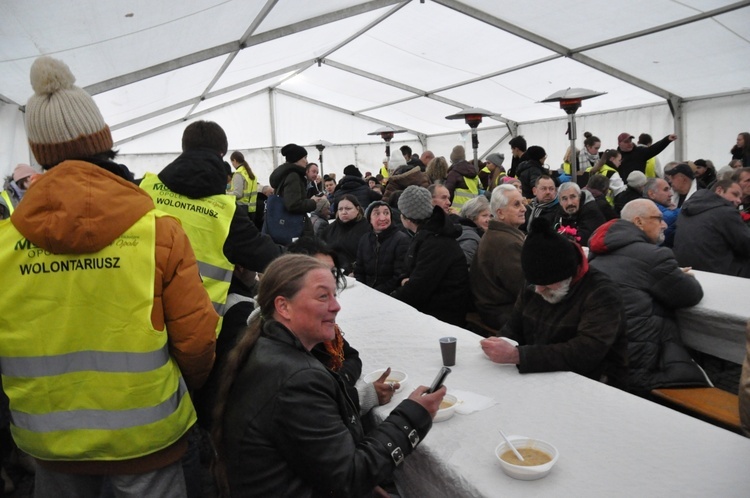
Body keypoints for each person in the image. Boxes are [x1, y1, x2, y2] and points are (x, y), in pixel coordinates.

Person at [0, 55, 217, 496]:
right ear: (105, 140)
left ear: (39, 153)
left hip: (48, 443)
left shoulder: (4, 245)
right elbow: (196, 344)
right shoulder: (158, 231)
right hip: (149, 441)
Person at [211, 254, 444, 497]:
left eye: (334, 295)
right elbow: (349, 477)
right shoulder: (297, 378)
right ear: (283, 306)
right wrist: (413, 415)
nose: (336, 306)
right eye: (323, 296)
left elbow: (310, 456)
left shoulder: (265, 348)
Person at [140, 121, 282, 334]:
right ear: (222, 153)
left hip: (141, 316)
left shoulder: (142, 189)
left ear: (184, 148)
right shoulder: (226, 213)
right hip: (197, 328)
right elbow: (268, 257)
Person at [480, 217, 627, 388]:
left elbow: (586, 352)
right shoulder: (535, 284)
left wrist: (519, 355)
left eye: (547, 284)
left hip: (593, 382)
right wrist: (499, 342)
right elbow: (514, 326)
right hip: (542, 375)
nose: (539, 290)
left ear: (568, 274)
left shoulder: (601, 293)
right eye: (536, 283)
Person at [588, 199, 708, 393]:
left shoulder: (597, 252)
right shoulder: (653, 256)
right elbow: (691, 294)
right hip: (644, 362)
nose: (665, 224)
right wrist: (685, 276)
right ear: (639, 222)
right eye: (659, 218)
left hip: (605, 356)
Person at [391, 186, 470, 326]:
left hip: (443, 318)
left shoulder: (435, 241)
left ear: (406, 217)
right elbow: (410, 274)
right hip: (433, 309)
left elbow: (417, 289)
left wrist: (389, 301)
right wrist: (404, 280)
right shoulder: (428, 235)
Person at [470, 185, 527, 330]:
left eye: (523, 203)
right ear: (500, 213)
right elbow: (524, 289)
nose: (524, 208)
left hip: (495, 310)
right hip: (504, 313)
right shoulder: (507, 243)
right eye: (516, 204)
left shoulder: (497, 235)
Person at [673, 179, 750, 277]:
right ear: (719, 190)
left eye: (741, 197)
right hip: (720, 273)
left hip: (687, 270)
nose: (739, 201)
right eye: (735, 194)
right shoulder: (726, 212)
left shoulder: (685, 209)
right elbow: (746, 244)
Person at [355, 200, 410, 294]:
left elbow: (399, 275)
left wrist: (375, 293)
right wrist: (363, 290)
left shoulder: (401, 239)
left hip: (389, 294)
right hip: (366, 292)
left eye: (386, 213)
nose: (382, 218)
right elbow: (359, 271)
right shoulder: (364, 239)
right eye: (377, 214)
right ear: (369, 219)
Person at [269, 143, 317, 240]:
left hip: (283, 224)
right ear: (297, 158)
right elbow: (293, 204)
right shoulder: (293, 176)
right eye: (304, 157)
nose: (307, 161)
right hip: (294, 225)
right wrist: (313, 202)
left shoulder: (285, 174)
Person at [320, 194, 370, 274]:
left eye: (348, 208)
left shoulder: (367, 228)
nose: (344, 212)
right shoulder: (330, 228)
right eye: (340, 209)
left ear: (357, 209)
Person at [554, 182, 607, 246]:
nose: (569, 203)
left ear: (579, 196)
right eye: (564, 199)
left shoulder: (591, 211)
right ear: (560, 202)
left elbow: (583, 239)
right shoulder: (561, 211)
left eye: (573, 197)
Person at [456, 195, 491, 267]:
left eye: (490, 216)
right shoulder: (471, 239)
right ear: (471, 217)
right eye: (484, 215)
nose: (489, 220)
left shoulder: (463, 230)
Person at [643, 177, 679, 244]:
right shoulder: (670, 216)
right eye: (665, 190)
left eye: (670, 189)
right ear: (651, 194)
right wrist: (676, 211)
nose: (671, 194)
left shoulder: (639, 207)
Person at [227, 150, 258, 220]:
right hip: (252, 209)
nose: (232, 164)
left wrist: (225, 193)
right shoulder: (249, 173)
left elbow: (238, 194)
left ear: (234, 160)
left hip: (241, 208)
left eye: (232, 162)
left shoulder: (238, 174)